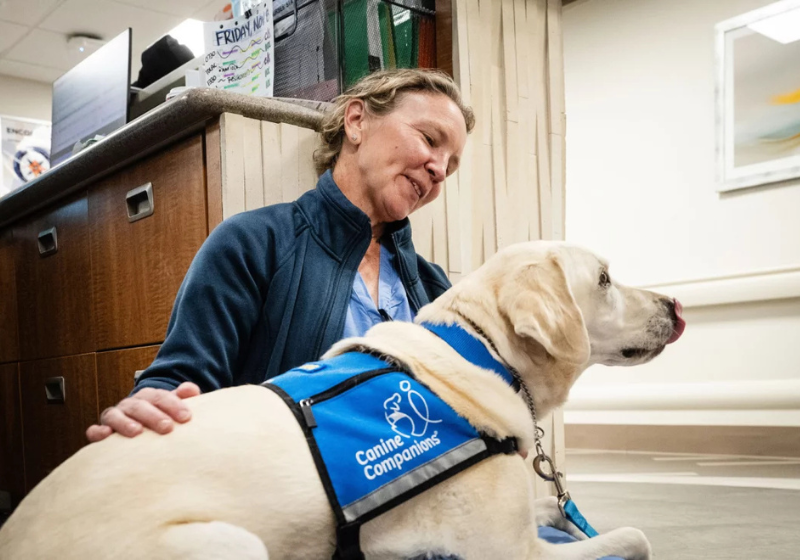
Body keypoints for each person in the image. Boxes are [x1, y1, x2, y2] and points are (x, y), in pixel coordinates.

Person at [86, 68, 473, 443]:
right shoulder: (253, 243)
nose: (439, 170)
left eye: (451, 166)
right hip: (292, 491)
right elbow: (182, 380)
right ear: (357, 121)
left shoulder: (431, 285)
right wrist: (149, 405)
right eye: (428, 139)